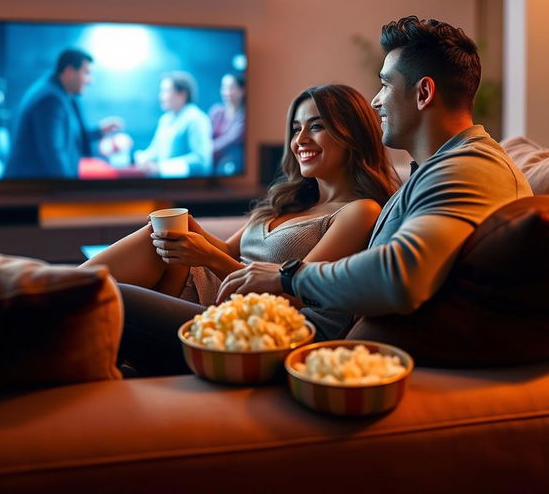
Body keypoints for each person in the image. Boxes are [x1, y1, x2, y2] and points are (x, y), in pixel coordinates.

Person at [217, 16, 532, 335]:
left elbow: (401, 276)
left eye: (385, 85)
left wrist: (288, 277)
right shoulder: (439, 168)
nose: (375, 101)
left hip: (327, 348)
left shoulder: (470, 167)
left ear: (423, 92)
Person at [83, 84, 399, 375]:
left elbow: (301, 296)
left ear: (352, 135)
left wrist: (210, 258)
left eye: (316, 126)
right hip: (207, 291)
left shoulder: (358, 211)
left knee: (111, 297)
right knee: (153, 238)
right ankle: (44, 299)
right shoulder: (289, 200)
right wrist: (194, 231)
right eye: (295, 128)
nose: (300, 140)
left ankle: (48, 302)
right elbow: (230, 252)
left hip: (242, 322)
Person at [4, 49, 122, 179]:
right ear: (70, 72)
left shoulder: (59, 94)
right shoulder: (50, 100)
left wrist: (100, 130)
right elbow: (54, 154)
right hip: (30, 191)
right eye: (87, 73)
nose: (90, 81)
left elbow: (71, 138)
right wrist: (69, 191)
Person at [134, 71, 213, 177]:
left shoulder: (196, 119)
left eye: (166, 91)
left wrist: (161, 168)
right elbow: (156, 150)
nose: (161, 96)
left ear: (182, 94)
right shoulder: (166, 119)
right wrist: (143, 158)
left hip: (187, 188)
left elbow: (201, 160)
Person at [209, 72, 246, 175]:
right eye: (224, 88)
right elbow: (205, 135)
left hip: (231, 165)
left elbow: (229, 141)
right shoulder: (216, 112)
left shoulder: (244, 117)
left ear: (242, 90)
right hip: (211, 164)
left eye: (231, 88)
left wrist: (204, 149)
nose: (226, 92)